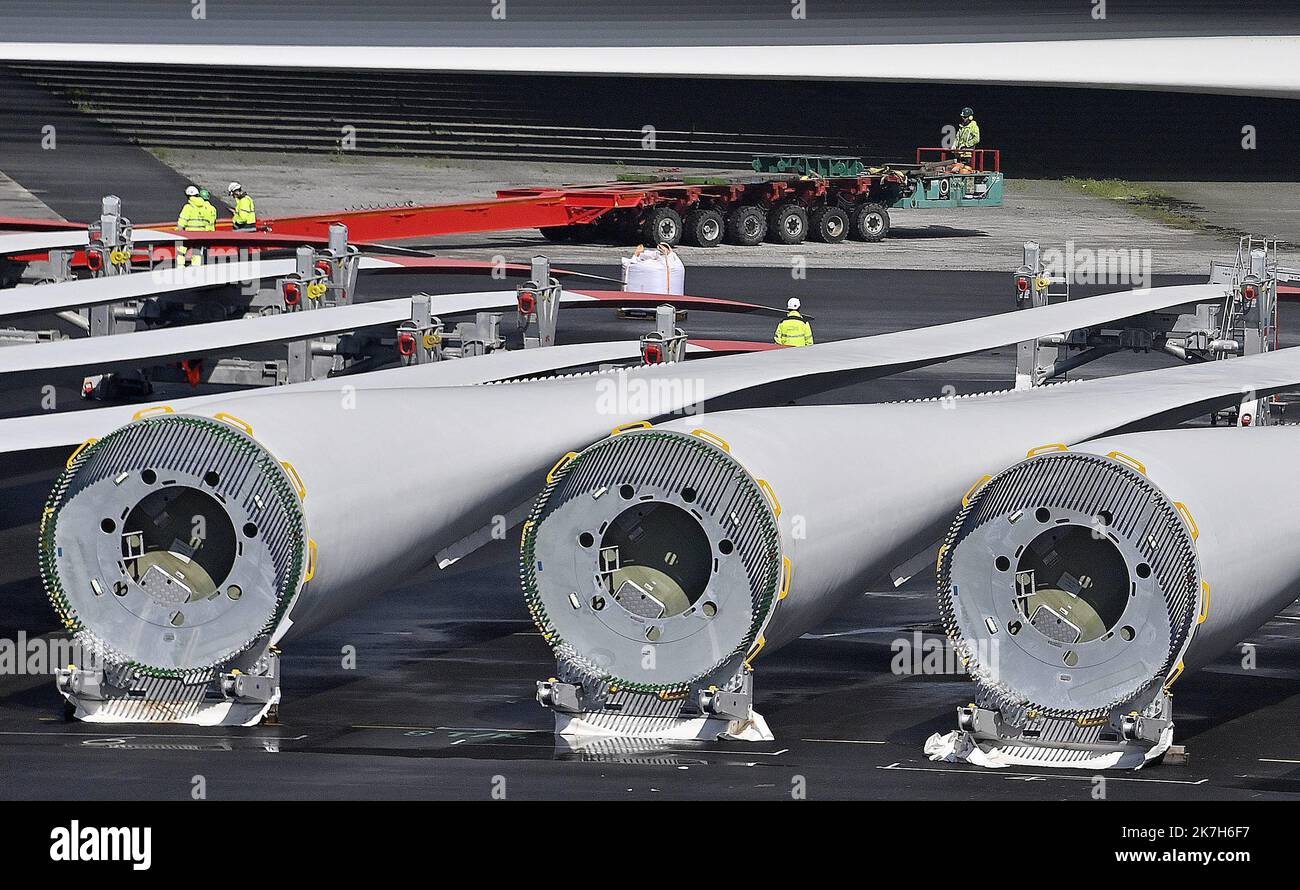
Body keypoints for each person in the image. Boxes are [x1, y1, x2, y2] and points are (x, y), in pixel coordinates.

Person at [175, 185, 213, 266]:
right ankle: (196, 270)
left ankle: (180, 268)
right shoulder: (204, 207)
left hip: (188, 234)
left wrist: (179, 231)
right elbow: (207, 221)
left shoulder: (188, 207)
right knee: (197, 253)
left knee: (181, 251)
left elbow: (182, 221)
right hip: (200, 234)